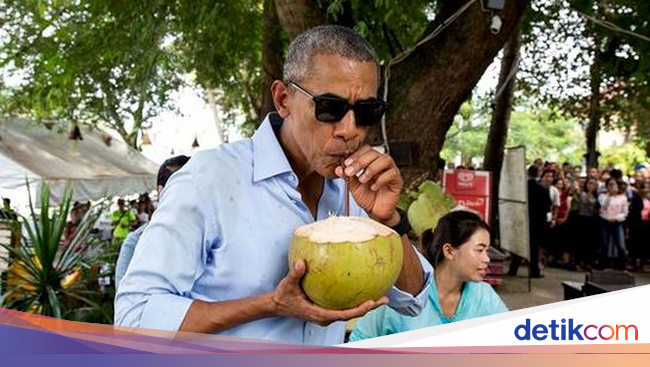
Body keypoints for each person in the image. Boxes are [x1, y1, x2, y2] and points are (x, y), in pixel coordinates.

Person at [115, 25, 431, 345]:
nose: (349, 130)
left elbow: (413, 300)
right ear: (283, 99)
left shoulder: (355, 192)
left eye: (366, 112)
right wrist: (270, 304)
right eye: (330, 108)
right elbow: (134, 318)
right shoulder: (210, 180)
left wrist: (388, 221)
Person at [349, 210, 508, 341]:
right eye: (480, 250)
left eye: (487, 251)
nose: (487, 259)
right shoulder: (404, 292)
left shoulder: (483, 295)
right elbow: (359, 341)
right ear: (449, 251)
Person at [114, 155, 190, 290]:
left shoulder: (215, 240)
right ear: (162, 190)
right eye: (183, 186)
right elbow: (126, 302)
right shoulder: (136, 242)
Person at [508, 165, 551, 277]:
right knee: (534, 247)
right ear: (538, 173)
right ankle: (534, 271)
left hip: (522, 220)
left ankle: (513, 269)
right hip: (537, 222)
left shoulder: (522, 188)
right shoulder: (543, 189)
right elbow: (547, 207)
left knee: (519, 246)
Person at [598, 178, 628, 269]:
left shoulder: (623, 197)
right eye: (610, 185)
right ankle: (603, 265)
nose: (612, 186)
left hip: (617, 222)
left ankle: (621, 266)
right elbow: (604, 206)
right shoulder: (602, 196)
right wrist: (610, 195)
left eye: (613, 184)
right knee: (604, 244)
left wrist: (617, 218)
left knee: (621, 245)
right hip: (605, 221)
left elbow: (625, 212)